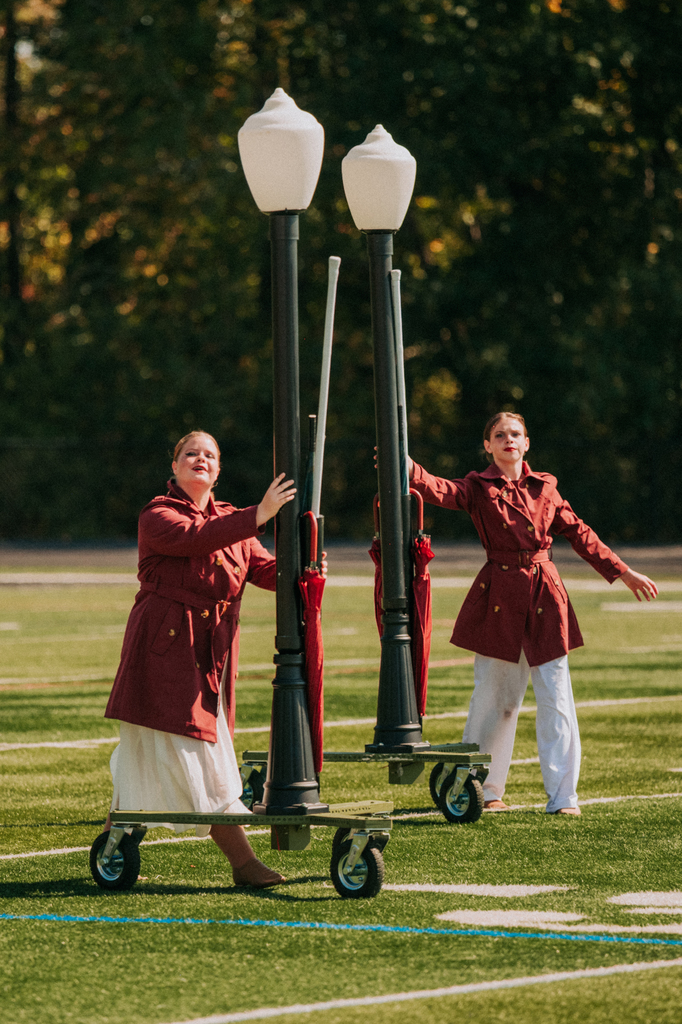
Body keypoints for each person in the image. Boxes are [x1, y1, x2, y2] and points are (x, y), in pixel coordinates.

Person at [408, 411, 658, 816]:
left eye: (516, 434)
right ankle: (484, 791)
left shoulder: (547, 488)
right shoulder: (477, 486)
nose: (509, 439)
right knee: (495, 699)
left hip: (545, 594)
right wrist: (410, 469)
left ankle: (563, 799)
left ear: (527, 443)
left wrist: (623, 572)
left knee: (556, 697)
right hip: (498, 596)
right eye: (499, 434)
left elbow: (581, 533)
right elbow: (441, 490)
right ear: (487, 445)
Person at [104, 430, 296, 886]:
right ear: (174, 466)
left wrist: (307, 563)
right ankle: (245, 865)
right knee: (192, 752)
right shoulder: (158, 514)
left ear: (219, 468)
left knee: (170, 751)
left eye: (210, 455)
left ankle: (114, 839)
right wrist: (260, 514)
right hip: (165, 648)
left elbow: (264, 571)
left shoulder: (233, 519)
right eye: (191, 453)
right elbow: (196, 538)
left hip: (208, 652)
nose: (200, 459)